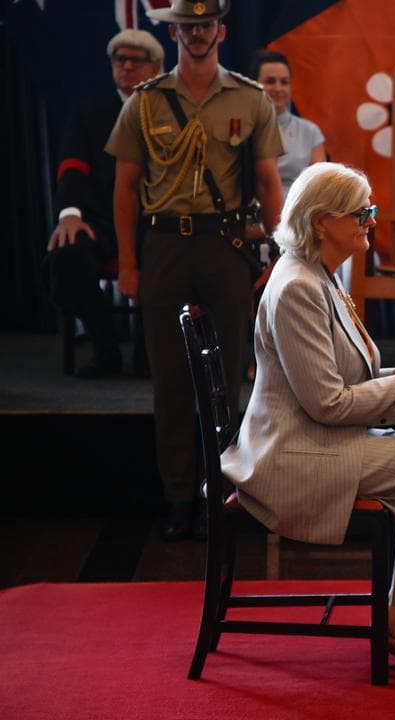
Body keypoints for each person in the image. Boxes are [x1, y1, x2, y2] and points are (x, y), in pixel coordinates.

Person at [221, 161, 395, 676]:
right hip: (295, 456)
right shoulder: (298, 287)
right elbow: (327, 404)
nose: (371, 221)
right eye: (361, 212)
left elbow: (343, 378)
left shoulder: (318, 274)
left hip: (315, 439)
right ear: (323, 221)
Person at [106, 0, 285, 541]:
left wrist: (281, 255)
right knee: (171, 382)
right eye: (189, 26)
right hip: (164, 245)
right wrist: (130, 263)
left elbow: (268, 184)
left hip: (223, 245)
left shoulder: (250, 100)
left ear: (220, 31)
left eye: (206, 25)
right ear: (177, 32)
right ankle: (178, 498)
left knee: (227, 380)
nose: (198, 33)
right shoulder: (145, 101)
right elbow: (125, 188)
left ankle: (221, 497)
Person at [45, 30, 163, 378]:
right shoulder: (90, 114)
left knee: (168, 255)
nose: (126, 66)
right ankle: (105, 346)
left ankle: (148, 351)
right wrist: (70, 215)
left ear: (156, 67)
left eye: (135, 60)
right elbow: (72, 168)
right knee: (66, 257)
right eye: (119, 60)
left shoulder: (170, 114)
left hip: (156, 219)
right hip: (100, 221)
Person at [250, 49, 326, 196]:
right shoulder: (242, 129)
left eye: (284, 82)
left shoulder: (310, 132)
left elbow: (318, 188)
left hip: (298, 214)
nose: (278, 88)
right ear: (254, 85)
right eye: (270, 81)